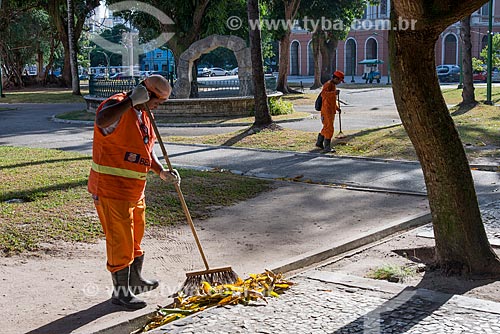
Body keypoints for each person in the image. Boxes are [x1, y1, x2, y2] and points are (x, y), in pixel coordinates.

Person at [88, 75, 180, 309]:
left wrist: (161, 172)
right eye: (157, 100)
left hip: (134, 189)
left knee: (135, 236)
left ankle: (135, 280)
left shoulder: (145, 115)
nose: (158, 105)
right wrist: (130, 101)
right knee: (120, 241)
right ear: (145, 93)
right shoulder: (117, 105)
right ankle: (120, 293)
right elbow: (101, 120)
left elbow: (146, 149)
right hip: (111, 189)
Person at [316, 70, 344, 152]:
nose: (339, 82)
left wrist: (337, 108)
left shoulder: (333, 85)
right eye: (339, 80)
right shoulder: (328, 85)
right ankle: (327, 147)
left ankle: (319, 142)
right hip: (326, 111)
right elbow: (324, 94)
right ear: (336, 78)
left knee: (326, 127)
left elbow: (331, 100)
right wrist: (334, 93)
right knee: (329, 128)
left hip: (331, 110)